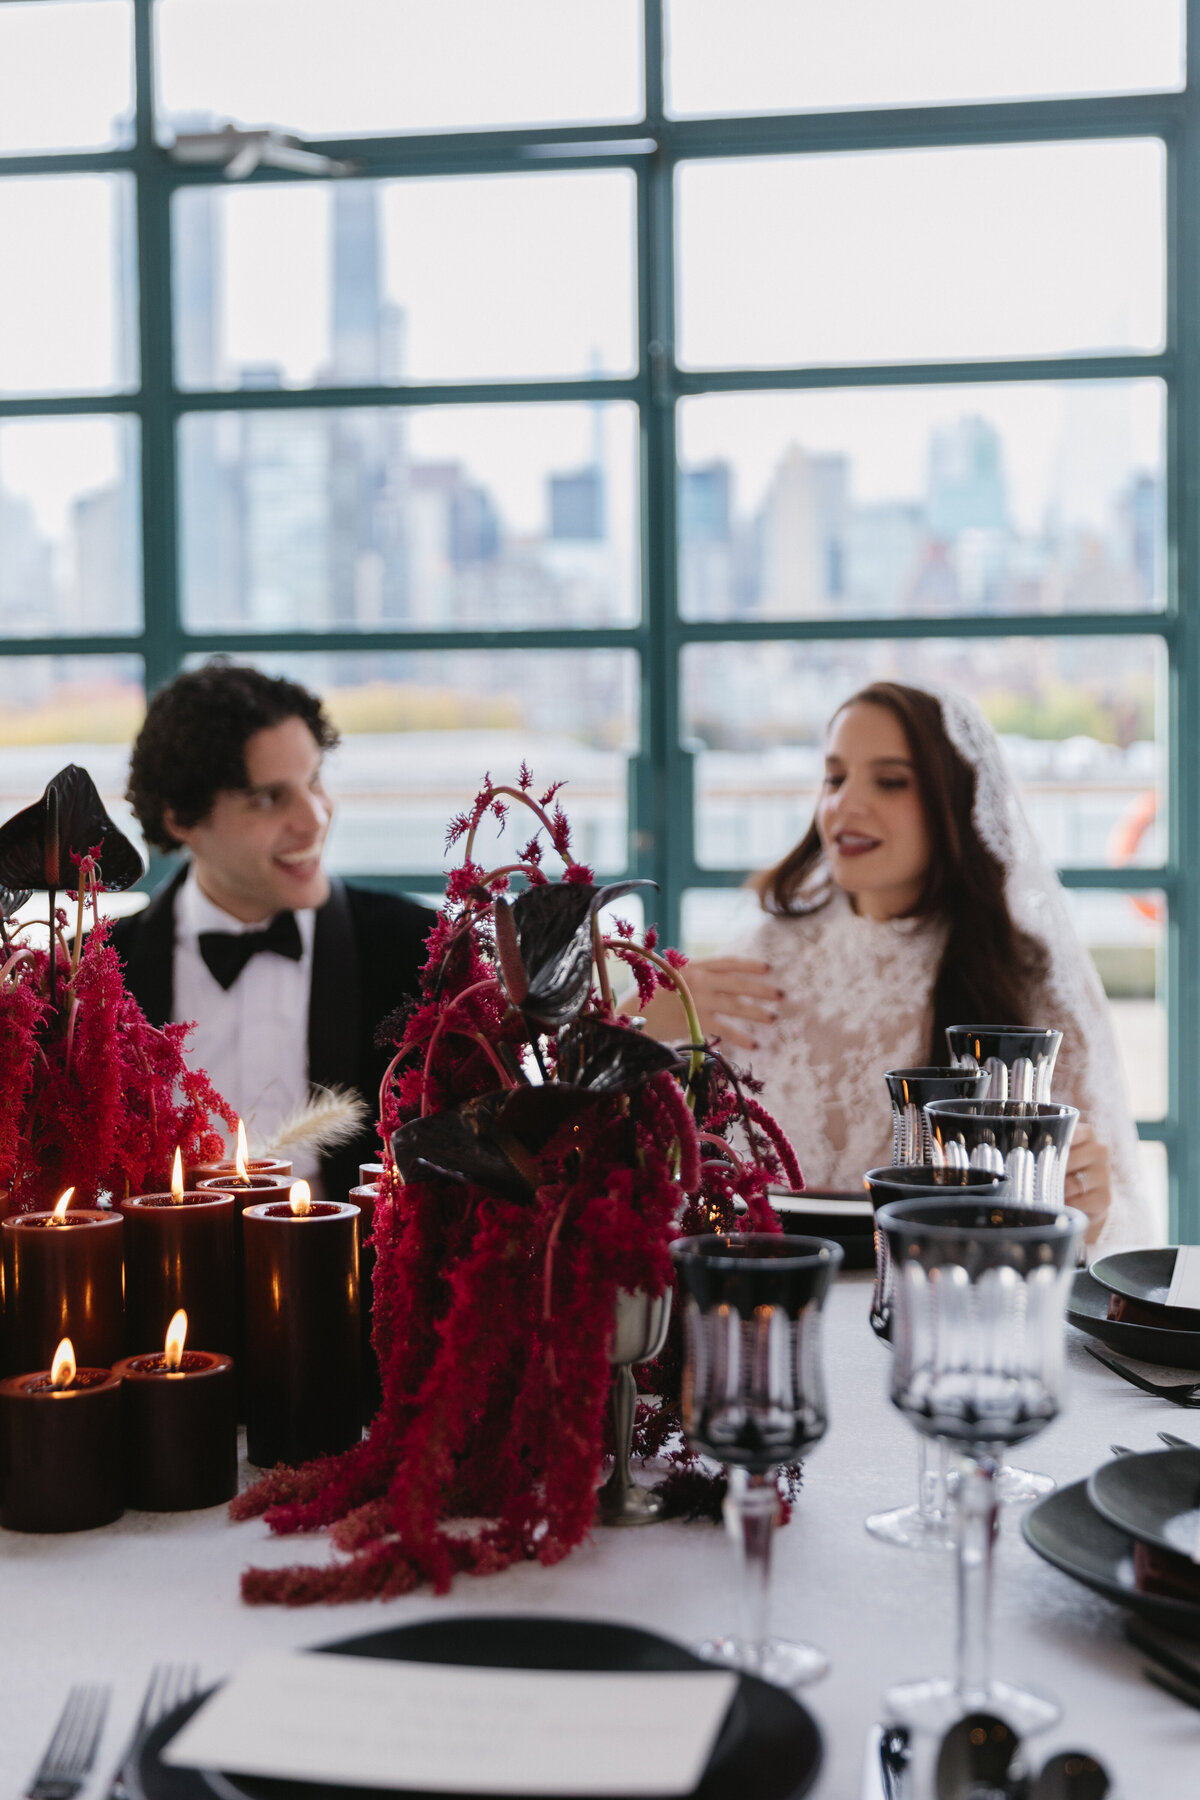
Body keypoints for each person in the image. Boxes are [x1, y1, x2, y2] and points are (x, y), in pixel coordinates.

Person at [635, 681, 1156, 1249]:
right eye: (834, 778)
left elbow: (1110, 1219)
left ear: (957, 803)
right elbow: (646, 1172)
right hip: (763, 1304)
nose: (844, 804)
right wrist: (638, 1030)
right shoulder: (762, 955)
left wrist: (1086, 1216)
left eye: (889, 781)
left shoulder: (1027, 981)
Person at [110, 661, 435, 1203]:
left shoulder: (418, 949)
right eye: (269, 798)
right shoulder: (96, 974)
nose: (315, 819)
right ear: (182, 819)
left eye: (314, 782)